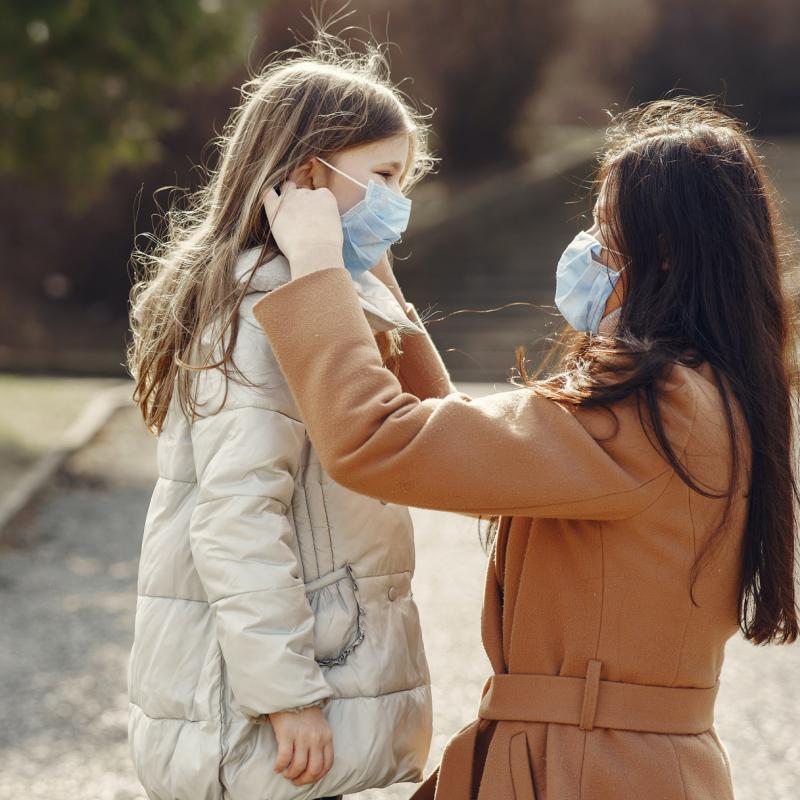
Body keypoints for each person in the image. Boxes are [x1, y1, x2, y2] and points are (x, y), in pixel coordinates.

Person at [253, 97, 799, 799]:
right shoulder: (707, 391)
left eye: (604, 234)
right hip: (619, 764)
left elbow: (377, 441)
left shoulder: (653, 403)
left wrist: (321, 267)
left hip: (587, 770)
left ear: (661, 252)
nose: (587, 252)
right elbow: (459, 439)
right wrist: (377, 278)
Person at [125, 39, 444, 800]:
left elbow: (433, 432)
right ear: (307, 175)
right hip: (276, 709)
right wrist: (288, 695)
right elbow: (236, 516)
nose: (398, 202)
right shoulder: (267, 308)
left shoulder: (319, 295)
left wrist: (370, 279)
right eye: (384, 177)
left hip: (330, 678)